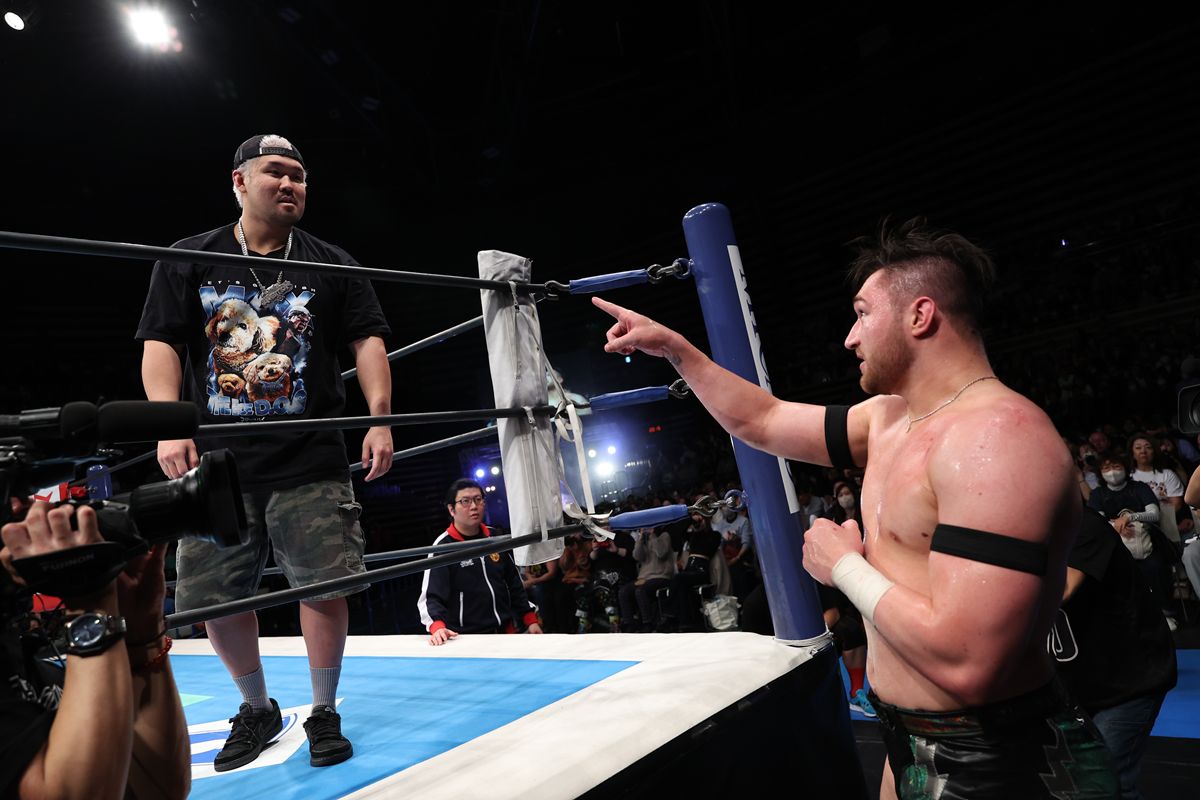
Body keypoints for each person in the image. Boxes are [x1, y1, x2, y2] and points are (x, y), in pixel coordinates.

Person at [593, 218, 1118, 798]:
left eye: (863, 314)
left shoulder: (996, 438)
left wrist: (843, 566)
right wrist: (675, 349)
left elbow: (970, 664)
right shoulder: (889, 420)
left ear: (920, 316)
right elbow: (762, 419)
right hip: (910, 736)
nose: (849, 337)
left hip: (1002, 758)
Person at [135, 134, 395, 771]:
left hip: (311, 454)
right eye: (275, 171)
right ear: (239, 182)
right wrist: (169, 424)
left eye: (299, 176)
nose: (289, 184)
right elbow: (161, 342)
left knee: (326, 585)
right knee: (215, 598)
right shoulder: (189, 256)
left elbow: (367, 341)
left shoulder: (332, 261)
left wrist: (380, 419)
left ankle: (324, 710)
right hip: (217, 463)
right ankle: (256, 708)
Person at [0, 502, 191, 799]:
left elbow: (161, 790)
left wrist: (143, 635)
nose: (20, 506)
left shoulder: (28, 664)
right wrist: (90, 606)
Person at [1050, 506, 1177, 800]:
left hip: (1130, 681)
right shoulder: (1023, 533)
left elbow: (1061, 589)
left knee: (1109, 782)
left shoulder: (1082, 525)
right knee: (1072, 780)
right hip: (1078, 682)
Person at [418, 479, 544, 644]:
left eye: (478, 499)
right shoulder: (443, 547)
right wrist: (437, 626)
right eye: (465, 501)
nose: (473, 506)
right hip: (465, 638)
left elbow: (513, 583)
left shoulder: (495, 538)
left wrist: (530, 619)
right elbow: (431, 596)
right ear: (451, 509)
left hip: (505, 631)